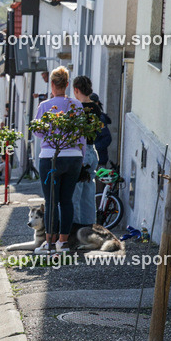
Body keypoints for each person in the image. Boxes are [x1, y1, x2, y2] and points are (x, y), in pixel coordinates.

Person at [33, 66, 84, 254]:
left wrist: (50, 129)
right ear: (67, 84)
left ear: (53, 84)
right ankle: (63, 243)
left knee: (51, 201)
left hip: (51, 157)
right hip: (74, 158)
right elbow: (82, 135)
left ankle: (49, 242)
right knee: (67, 201)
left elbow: (37, 131)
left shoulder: (45, 106)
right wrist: (82, 158)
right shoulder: (77, 105)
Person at [70, 76, 101, 230]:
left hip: (81, 152)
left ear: (76, 89)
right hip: (92, 150)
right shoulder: (96, 107)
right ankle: (89, 227)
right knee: (88, 194)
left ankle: (75, 230)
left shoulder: (76, 108)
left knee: (75, 195)